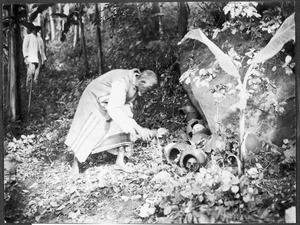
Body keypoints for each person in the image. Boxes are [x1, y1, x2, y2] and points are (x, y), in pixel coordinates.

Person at [65, 69, 158, 173]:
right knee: (89, 129)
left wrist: (133, 126)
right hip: (94, 98)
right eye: (149, 88)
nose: (148, 92)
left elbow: (123, 109)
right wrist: (139, 128)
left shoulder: (135, 84)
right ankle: (75, 163)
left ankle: (120, 160)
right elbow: (115, 109)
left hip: (109, 102)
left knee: (125, 119)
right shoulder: (122, 81)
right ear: (142, 82)